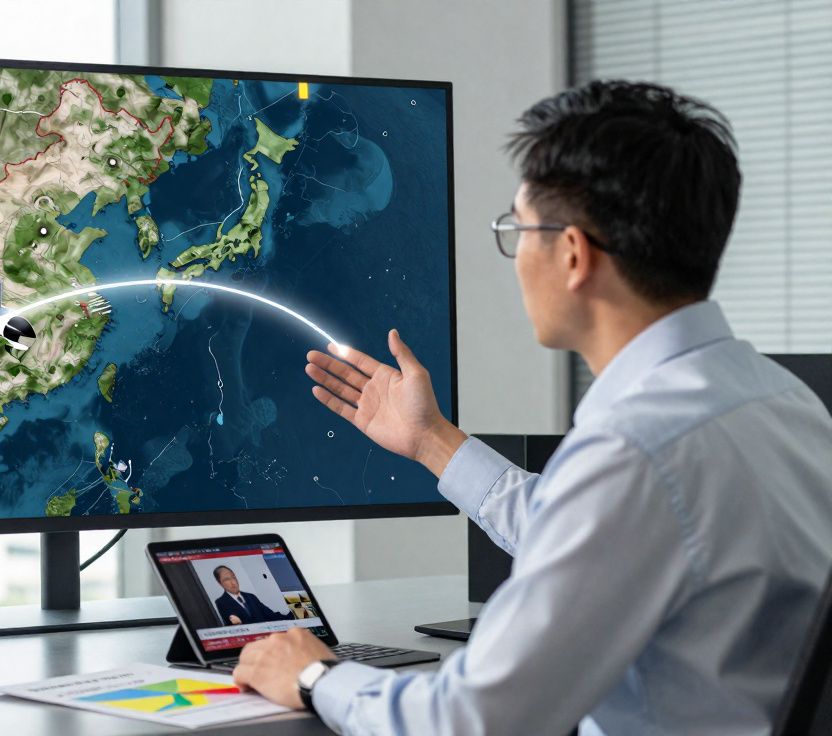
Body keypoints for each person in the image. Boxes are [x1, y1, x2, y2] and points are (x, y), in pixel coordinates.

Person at [231, 80, 832, 735]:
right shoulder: (784, 404)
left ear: (572, 254)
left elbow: (475, 719)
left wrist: (316, 677)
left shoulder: (636, 451)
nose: (516, 255)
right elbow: (592, 529)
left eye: (519, 229)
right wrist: (431, 439)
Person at [211, 564, 293, 626]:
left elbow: (270, 615)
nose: (233, 582)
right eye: (227, 579)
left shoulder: (251, 596)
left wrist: (293, 614)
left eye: (233, 577)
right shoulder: (221, 602)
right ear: (220, 583)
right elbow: (236, 626)